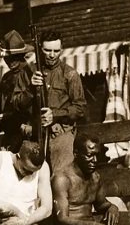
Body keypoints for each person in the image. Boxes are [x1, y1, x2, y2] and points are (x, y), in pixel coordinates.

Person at [25, 31, 86, 173]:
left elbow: (81, 108)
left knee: (61, 178)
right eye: (47, 50)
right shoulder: (30, 71)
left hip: (61, 136)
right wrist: (30, 88)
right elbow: (17, 103)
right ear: (40, 48)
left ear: (61, 50)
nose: (52, 55)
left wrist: (55, 115)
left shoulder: (70, 74)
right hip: (35, 136)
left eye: (56, 51)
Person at [0, 30, 35, 153]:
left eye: (14, 57)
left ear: (22, 55)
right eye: (7, 58)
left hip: (27, 136)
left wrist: (6, 116)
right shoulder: (6, 78)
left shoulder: (30, 75)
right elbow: (1, 108)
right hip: (9, 136)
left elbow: (27, 107)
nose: (10, 61)